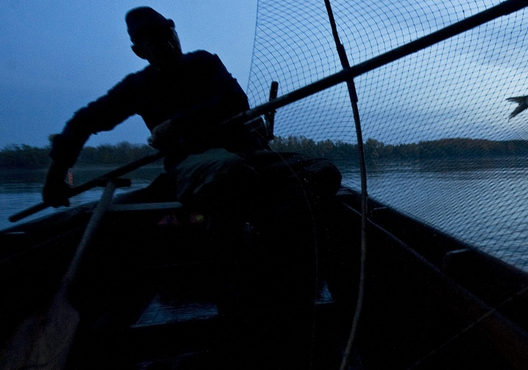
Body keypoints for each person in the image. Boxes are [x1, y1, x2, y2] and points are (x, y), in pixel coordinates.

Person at [42, 7, 334, 368]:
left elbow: (234, 101)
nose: (164, 41)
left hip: (245, 152)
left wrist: (174, 125)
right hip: (196, 163)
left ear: (175, 32)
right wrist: (56, 174)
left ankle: (274, 266)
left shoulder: (204, 63)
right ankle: (236, 287)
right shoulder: (137, 87)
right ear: (138, 50)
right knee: (231, 174)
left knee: (323, 172)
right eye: (151, 39)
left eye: (166, 32)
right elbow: (84, 121)